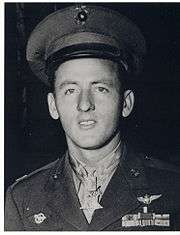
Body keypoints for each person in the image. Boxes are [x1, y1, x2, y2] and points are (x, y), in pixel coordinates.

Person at [5, 4, 180, 231]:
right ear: (53, 105)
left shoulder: (173, 189)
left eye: (100, 88)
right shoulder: (23, 200)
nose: (84, 104)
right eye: (70, 90)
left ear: (125, 103)